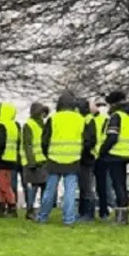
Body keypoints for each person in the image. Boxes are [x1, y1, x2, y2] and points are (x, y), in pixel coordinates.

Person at [37, 91, 95, 225]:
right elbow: (87, 140)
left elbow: (44, 140)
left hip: (54, 159)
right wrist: (79, 150)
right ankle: (69, 219)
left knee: (50, 190)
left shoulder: (53, 118)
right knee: (70, 191)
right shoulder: (80, 119)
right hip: (73, 159)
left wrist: (47, 154)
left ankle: (43, 216)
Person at [98, 90, 129, 225]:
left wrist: (102, 151)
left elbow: (112, 137)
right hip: (125, 153)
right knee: (122, 185)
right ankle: (124, 215)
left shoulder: (116, 116)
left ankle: (121, 217)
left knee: (118, 185)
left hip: (114, 154)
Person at [0, 102, 21, 217]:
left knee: (3, 185)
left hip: (2, 160)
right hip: (11, 159)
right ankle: (1, 208)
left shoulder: (1, 126)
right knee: (1, 184)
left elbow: (0, 145)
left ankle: (12, 207)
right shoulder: (13, 126)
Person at [21, 102, 49, 220]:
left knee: (43, 186)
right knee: (34, 186)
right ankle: (30, 209)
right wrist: (31, 161)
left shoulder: (43, 125)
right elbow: (27, 144)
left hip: (43, 161)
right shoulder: (29, 125)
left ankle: (41, 210)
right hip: (34, 162)